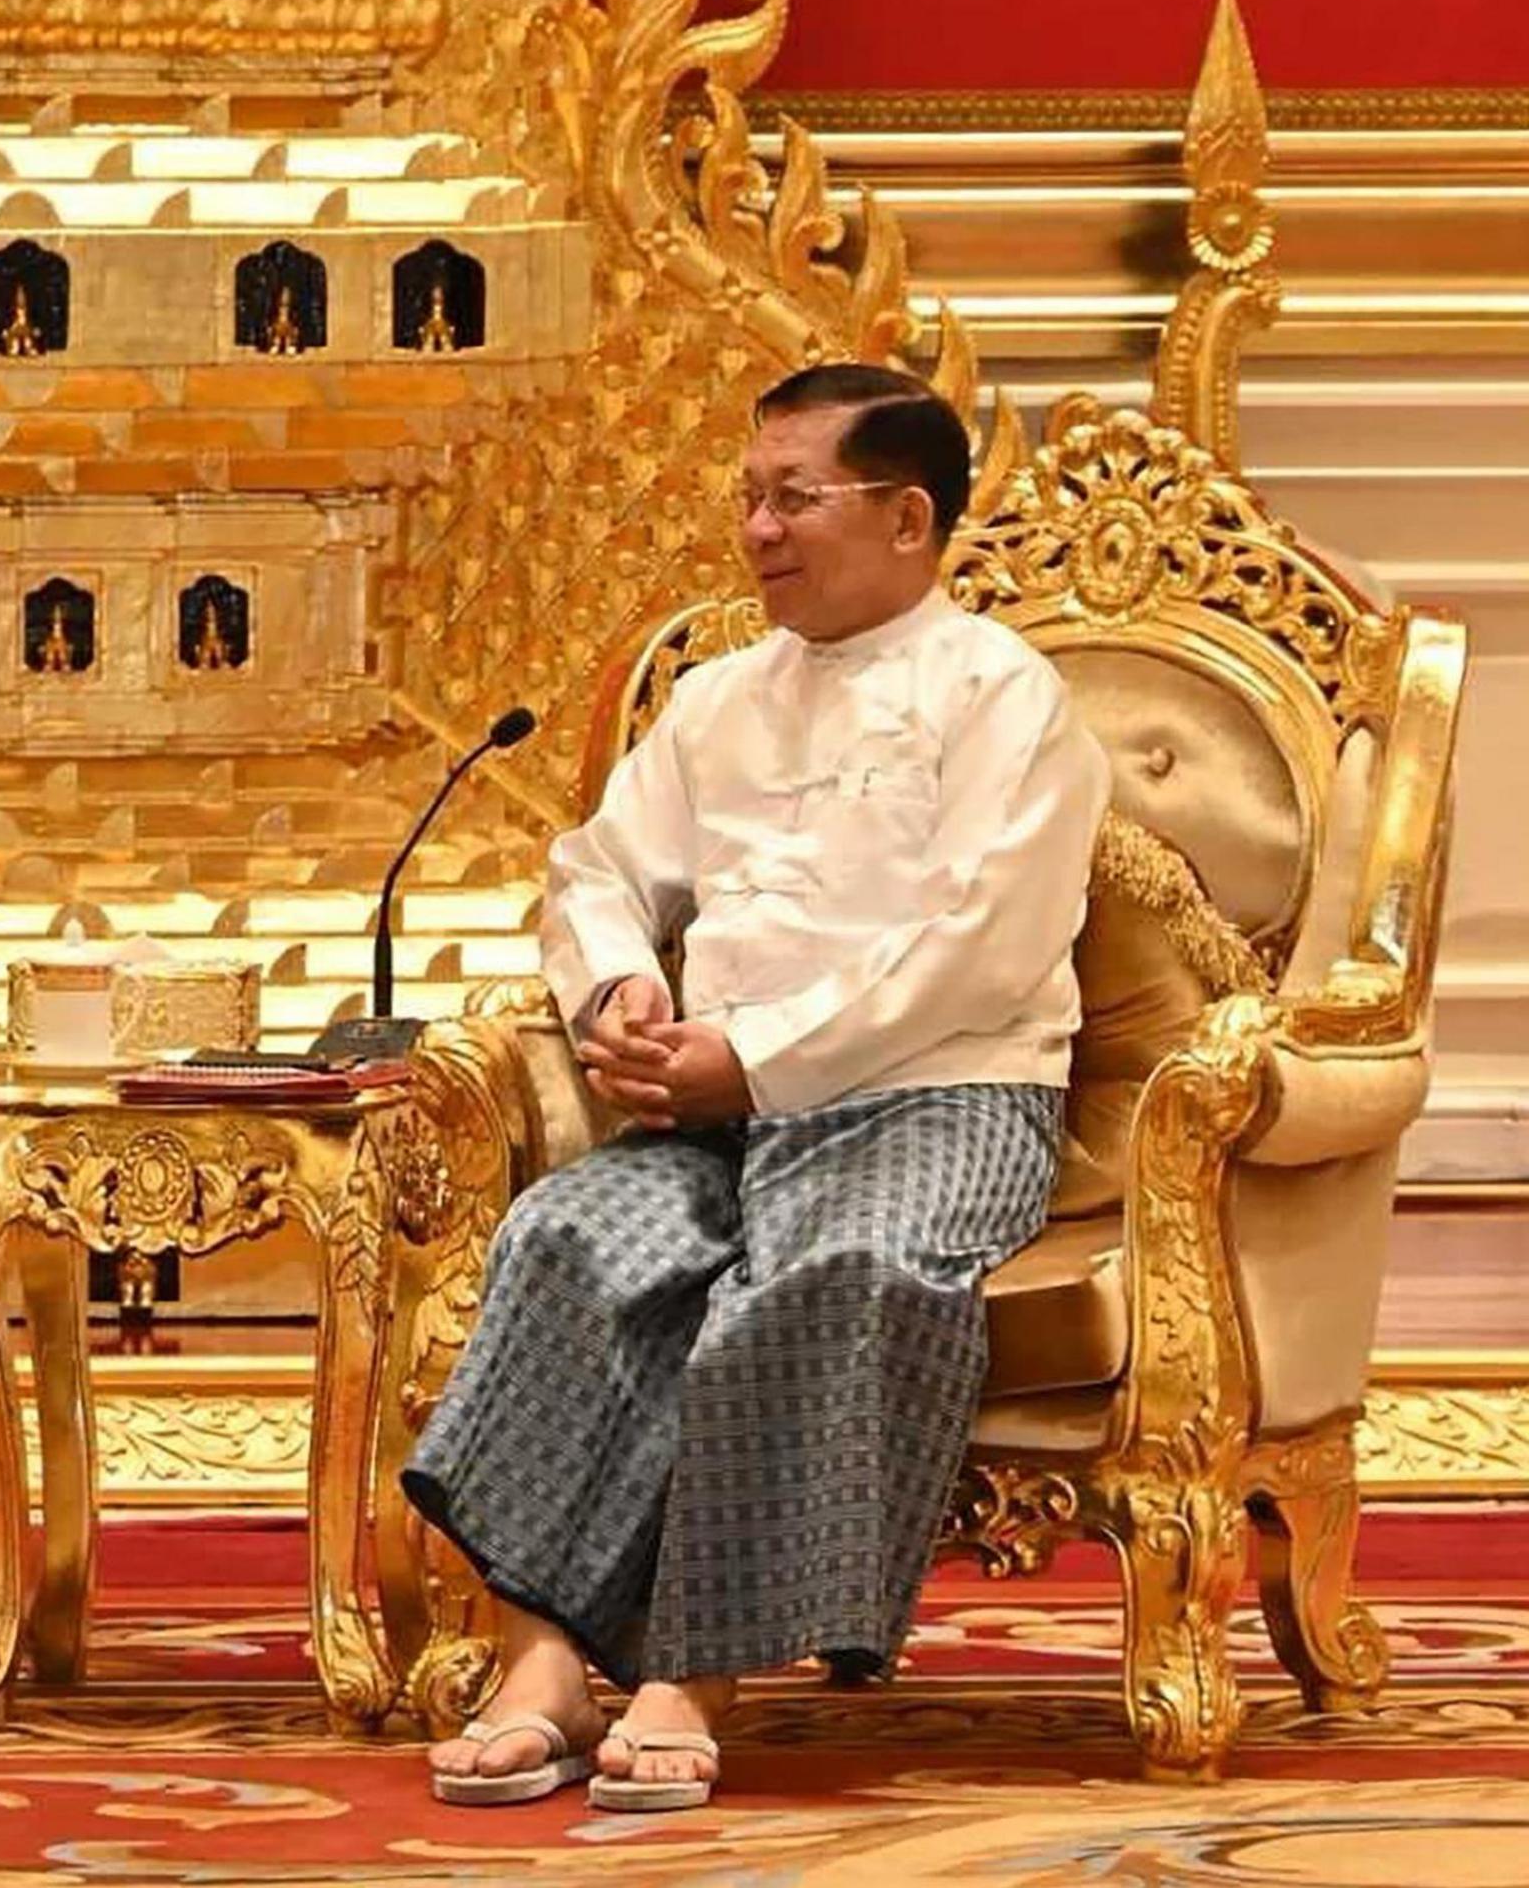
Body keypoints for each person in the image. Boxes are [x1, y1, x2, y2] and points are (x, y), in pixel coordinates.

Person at [402, 363, 1109, 1813]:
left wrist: (762, 1057)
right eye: (749, 497)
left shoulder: (1002, 696)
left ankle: (688, 1671)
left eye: (795, 498)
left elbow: (985, 949)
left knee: (826, 1272)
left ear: (908, 518)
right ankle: (538, 1656)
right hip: (715, 1107)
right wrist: (621, 998)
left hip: (942, 1100)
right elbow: (595, 875)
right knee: (568, 1240)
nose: (757, 531)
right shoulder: (721, 695)